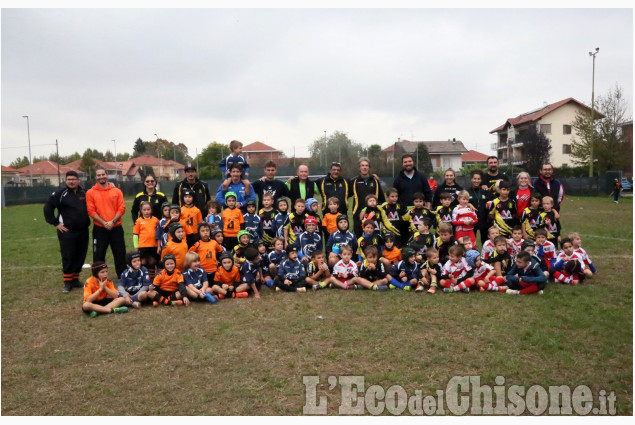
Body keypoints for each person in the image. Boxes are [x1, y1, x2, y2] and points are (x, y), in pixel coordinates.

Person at [43, 170, 91, 293]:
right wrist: (56, 223)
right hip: (67, 232)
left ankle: (75, 279)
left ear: (78, 180)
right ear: (66, 181)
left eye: (73, 179)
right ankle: (67, 282)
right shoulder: (60, 194)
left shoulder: (85, 193)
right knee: (68, 255)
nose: (71, 181)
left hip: (83, 230)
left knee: (80, 255)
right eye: (69, 179)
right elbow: (48, 208)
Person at [86, 167, 127, 277]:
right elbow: (91, 211)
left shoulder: (116, 191)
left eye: (103, 174)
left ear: (106, 175)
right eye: (98, 175)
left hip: (116, 228)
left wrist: (112, 222)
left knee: (120, 254)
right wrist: (104, 222)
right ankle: (98, 278)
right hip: (99, 229)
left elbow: (122, 208)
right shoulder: (90, 193)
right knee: (98, 255)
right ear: (96, 177)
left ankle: (122, 277)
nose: (101, 177)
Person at [350, 157, 386, 237]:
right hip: (359, 214)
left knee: (374, 238)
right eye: (362, 165)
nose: (364, 167)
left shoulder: (375, 180)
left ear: (369, 167)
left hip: (373, 214)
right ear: (359, 168)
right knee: (360, 238)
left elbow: (381, 198)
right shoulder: (354, 181)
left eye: (366, 165)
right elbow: (346, 194)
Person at [132, 201, 160, 280]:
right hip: (142, 246)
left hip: (153, 245)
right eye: (144, 210)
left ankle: (151, 279)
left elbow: (158, 234)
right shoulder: (138, 221)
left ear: (151, 210)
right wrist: (136, 247)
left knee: (152, 261)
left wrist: (158, 246)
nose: (146, 211)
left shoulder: (156, 220)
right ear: (141, 211)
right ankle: (143, 279)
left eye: (148, 209)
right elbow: (135, 235)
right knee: (143, 262)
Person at [466, 170, 492, 246]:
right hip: (471, 221)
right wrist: (468, 204)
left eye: (478, 179)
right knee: (470, 242)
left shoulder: (485, 191)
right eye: (474, 179)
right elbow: (460, 203)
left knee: (485, 242)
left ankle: (485, 256)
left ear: (481, 180)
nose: (476, 181)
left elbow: (494, 201)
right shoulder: (467, 192)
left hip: (484, 220)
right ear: (471, 179)